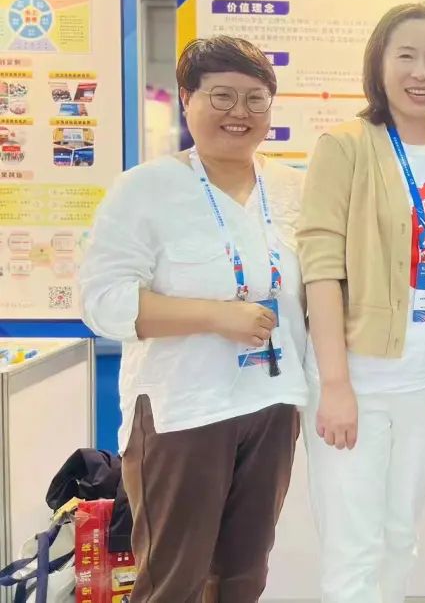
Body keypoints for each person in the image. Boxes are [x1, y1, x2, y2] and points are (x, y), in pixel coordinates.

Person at [80, 36, 308, 602]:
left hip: (272, 402)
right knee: (173, 578)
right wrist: (214, 317)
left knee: (244, 573)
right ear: (187, 99)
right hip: (184, 408)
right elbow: (103, 302)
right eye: (221, 96)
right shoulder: (145, 189)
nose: (239, 112)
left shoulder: (292, 187)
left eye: (255, 99)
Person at [297, 3, 425, 603]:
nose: (420, 72)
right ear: (378, 63)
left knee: (401, 537)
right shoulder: (344, 146)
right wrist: (335, 384)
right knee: (354, 547)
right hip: (360, 378)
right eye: (405, 56)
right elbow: (321, 269)